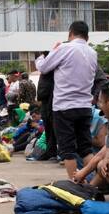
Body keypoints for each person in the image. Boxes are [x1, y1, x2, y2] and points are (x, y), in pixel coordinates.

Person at [34, 20, 98, 178]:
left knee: (67, 150)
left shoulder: (64, 48)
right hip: (84, 106)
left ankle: (75, 185)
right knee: (85, 148)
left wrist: (45, 55)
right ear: (87, 37)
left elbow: (43, 67)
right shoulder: (93, 53)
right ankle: (95, 182)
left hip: (64, 107)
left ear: (70, 33)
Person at [35, 57, 58, 161]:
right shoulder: (51, 72)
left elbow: (42, 92)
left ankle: (52, 151)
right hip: (49, 104)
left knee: (51, 129)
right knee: (50, 128)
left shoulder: (48, 73)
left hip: (50, 104)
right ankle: (51, 151)